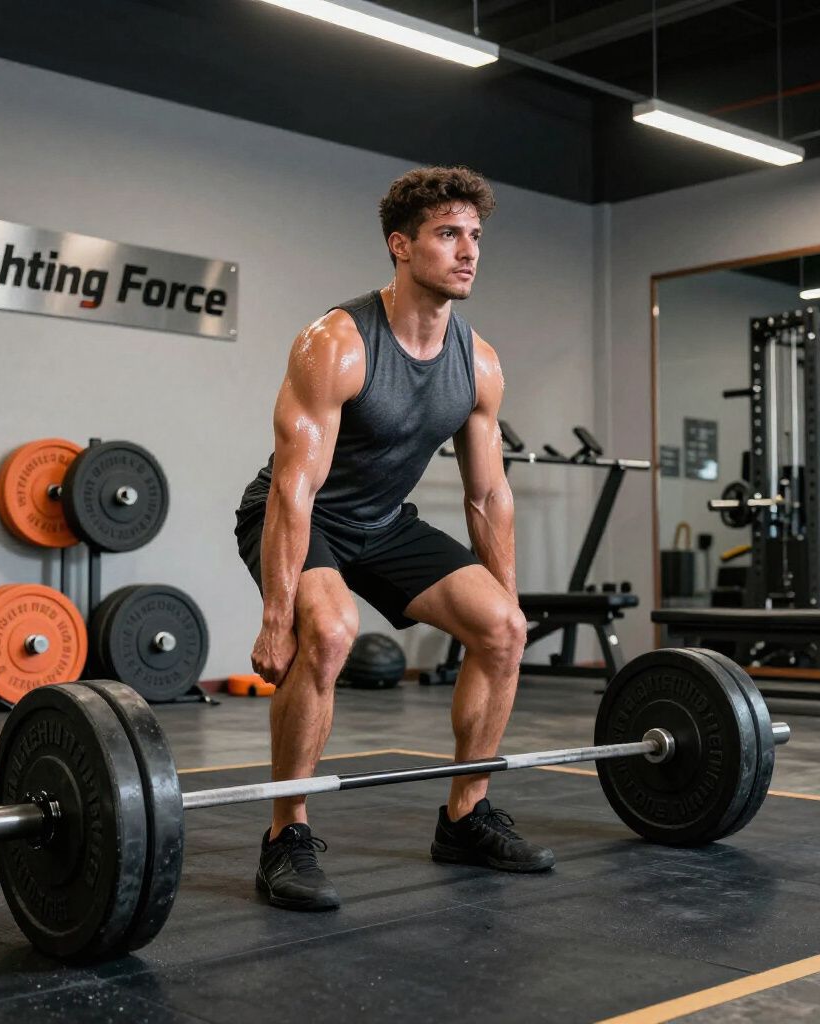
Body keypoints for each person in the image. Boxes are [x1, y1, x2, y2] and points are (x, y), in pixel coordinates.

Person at [234, 165, 554, 912]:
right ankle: (286, 836)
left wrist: (503, 608)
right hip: (300, 516)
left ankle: (466, 816)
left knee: (504, 629)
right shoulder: (337, 343)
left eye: (475, 235)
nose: (468, 250)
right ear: (401, 246)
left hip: (383, 523)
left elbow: (486, 494)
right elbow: (294, 488)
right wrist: (277, 618)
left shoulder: (478, 363)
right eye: (448, 234)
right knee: (332, 631)